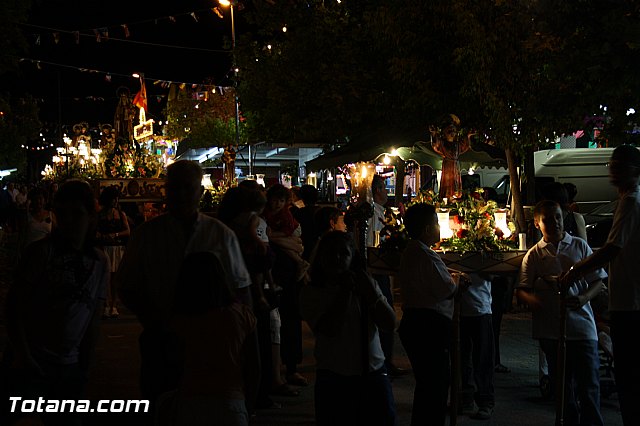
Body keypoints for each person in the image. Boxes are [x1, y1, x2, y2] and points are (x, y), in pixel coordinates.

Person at [117, 160, 252, 415]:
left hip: (211, 343)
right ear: (165, 191)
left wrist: (242, 336)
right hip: (162, 339)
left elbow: (241, 289)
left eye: (187, 188)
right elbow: (127, 285)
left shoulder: (220, 234)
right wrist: (153, 320)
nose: (180, 195)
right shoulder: (147, 235)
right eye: (174, 188)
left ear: (199, 192)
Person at [3, 180, 109, 426]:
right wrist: (23, 355)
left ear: (90, 217)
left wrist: (85, 363)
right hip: (33, 361)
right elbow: (14, 305)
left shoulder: (99, 261)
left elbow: (94, 316)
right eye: (63, 214)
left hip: (69, 365)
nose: (69, 221)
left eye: (77, 214)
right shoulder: (42, 253)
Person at [559, 144, 640, 426]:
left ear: (634, 171)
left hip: (630, 302)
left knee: (628, 377)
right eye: (612, 165)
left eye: (619, 167)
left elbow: (611, 248)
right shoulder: (627, 200)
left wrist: (575, 271)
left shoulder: (631, 202)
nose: (613, 171)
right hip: (627, 299)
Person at [518, 200, 606, 426]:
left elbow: (598, 282)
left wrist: (583, 298)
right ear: (537, 223)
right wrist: (535, 301)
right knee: (563, 390)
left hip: (583, 329)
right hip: (551, 331)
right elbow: (522, 290)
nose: (555, 223)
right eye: (548, 220)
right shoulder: (534, 255)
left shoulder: (579, 246)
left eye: (557, 217)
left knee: (589, 387)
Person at [299, 231, 397, 426]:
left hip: (373, 371)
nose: (336, 258)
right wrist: (345, 292)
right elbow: (330, 329)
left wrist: (372, 294)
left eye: (343, 253)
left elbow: (389, 324)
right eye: (330, 253)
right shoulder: (312, 293)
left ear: (352, 257)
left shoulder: (366, 285)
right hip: (335, 376)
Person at [156, 251, 260, 426]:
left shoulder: (179, 320)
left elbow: (171, 364)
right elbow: (254, 367)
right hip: (230, 400)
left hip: (190, 400)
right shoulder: (241, 315)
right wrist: (248, 406)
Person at [367, 174, 406, 377]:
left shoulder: (380, 212)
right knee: (384, 314)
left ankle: (385, 361)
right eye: (383, 188)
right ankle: (384, 362)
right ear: (376, 191)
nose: (386, 192)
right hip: (376, 270)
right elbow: (373, 243)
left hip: (379, 270)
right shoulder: (373, 214)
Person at [459, 273, 496, 420]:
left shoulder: (484, 257)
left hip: (481, 308)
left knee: (483, 359)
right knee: (462, 359)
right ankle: (466, 399)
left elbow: (492, 276)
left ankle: (486, 402)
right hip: (459, 309)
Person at [96, 186, 130, 319]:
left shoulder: (120, 214)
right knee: (106, 277)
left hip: (116, 248)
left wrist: (115, 234)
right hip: (105, 248)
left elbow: (127, 231)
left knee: (115, 278)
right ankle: (106, 304)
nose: (116, 201)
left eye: (117, 198)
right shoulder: (100, 214)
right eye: (113, 198)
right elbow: (95, 230)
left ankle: (113, 305)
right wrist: (102, 236)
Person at [429, 114, 471, 199]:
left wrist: (468, 136)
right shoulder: (442, 144)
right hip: (448, 166)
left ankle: (456, 196)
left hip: (455, 166)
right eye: (449, 131)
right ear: (444, 133)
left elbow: (465, 145)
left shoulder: (457, 145)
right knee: (448, 184)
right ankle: (447, 196)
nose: (452, 133)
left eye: (453, 130)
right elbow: (436, 144)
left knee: (456, 184)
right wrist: (433, 133)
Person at [18, 188, 54, 256]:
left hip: (46, 254)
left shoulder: (51, 215)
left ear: (45, 200)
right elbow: (21, 236)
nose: (38, 201)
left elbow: (55, 234)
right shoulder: (27, 216)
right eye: (35, 199)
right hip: (30, 252)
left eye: (40, 198)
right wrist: (19, 252)